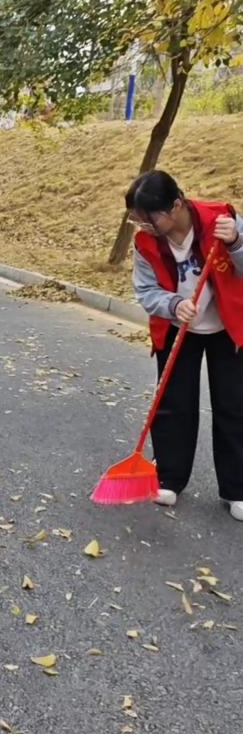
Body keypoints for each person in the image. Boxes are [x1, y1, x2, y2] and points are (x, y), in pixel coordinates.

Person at [126, 170, 243, 521]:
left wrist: (237, 242)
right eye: (137, 219)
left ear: (176, 205)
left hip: (229, 326)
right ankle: (169, 477)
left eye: (149, 218)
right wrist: (174, 305)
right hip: (179, 327)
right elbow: (146, 291)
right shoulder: (146, 243)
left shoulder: (221, 221)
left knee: (234, 405)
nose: (143, 225)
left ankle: (237, 488)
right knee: (173, 403)